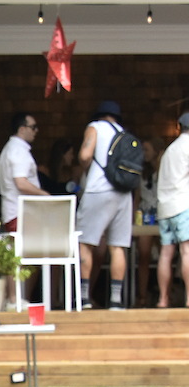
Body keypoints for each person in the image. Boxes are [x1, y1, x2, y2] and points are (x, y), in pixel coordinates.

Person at [77, 101, 134, 310]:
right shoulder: (124, 134)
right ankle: (116, 301)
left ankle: (84, 298)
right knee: (117, 246)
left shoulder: (95, 127)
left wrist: (86, 168)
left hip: (98, 191)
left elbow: (85, 155)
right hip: (124, 194)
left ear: (99, 115)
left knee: (85, 243)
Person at [156, 113, 189, 308]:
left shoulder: (170, 149)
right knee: (186, 252)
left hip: (165, 207)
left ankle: (163, 299)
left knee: (166, 254)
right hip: (183, 205)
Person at [0, 112, 49, 233]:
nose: (36, 130)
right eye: (33, 127)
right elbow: (21, 183)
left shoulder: (11, 148)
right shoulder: (19, 150)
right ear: (21, 129)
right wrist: (44, 195)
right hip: (20, 214)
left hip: (16, 213)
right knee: (31, 251)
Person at [134, 136, 165, 306]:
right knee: (144, 256)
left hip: (162, 214)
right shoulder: (140, 171)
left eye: (147, 149)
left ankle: (164, 295)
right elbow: (137, 197)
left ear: (157, 151)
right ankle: (142, 297)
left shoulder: (165, 170)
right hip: (145, 215)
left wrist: (160, 162)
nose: (143, 153)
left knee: (165, 255)